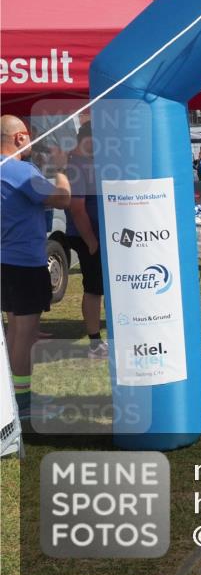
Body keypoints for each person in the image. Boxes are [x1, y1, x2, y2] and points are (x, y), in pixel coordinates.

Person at [1, 115, 71, 419]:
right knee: (25, 334)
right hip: (25, 263)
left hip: (6, 261)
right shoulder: (19, 170)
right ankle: (24, 403)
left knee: (16, 329)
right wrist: (61, 169)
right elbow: (62, 198)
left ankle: (17, 397)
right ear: (19, 138)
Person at [64, 123, 108, 358]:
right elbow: (77, 209)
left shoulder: (89, 163)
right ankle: (95, 343)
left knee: (100, 287)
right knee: (94, 288)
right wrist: (91, 241)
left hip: (101, 235)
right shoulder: (76, 166)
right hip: (88, 236)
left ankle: (101, 339)